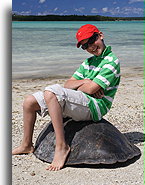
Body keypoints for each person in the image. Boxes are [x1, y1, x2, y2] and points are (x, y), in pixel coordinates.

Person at [12, 24, 120, 171]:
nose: (90, 47)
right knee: (29, 101)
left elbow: (91, 89)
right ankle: (26, 145)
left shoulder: (111, 61)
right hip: (81, 100)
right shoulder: (88, 62)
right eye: (85, 46)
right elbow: (68, 84)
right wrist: (86, 82)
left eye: (92, 40)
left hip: (95, 107)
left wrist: (88, 86)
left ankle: (61, 146)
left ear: (100, 35)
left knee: (52, 93)